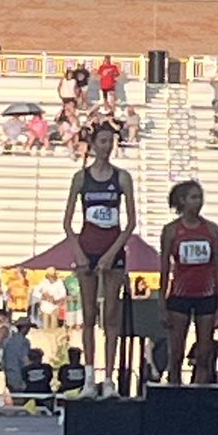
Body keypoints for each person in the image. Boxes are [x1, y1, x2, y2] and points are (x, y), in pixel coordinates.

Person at [63, 125, 137, 399]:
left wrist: (112, 253)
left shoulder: (122, 178)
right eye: (103, 141)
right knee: (89, 314)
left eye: (111, 141)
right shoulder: (81, 178)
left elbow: (131, 222)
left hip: (113, 250)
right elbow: (68, 222)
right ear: (93, 144)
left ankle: (109, 379)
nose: (107, 146)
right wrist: (78, 252)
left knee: (112, 316)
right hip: (87, 249)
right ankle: (89, 377)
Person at [160, 181, 218, 385]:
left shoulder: (211, 230)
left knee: (204, 353)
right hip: (180, 296)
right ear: (182, 201)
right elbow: (164, 269)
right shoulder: (171, 231)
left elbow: (217, 268)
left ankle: (200, 392)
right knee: (176, 353)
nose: (199, 202)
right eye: (194, 197)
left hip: (207, 295)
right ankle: (174, 392)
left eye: (200, 197)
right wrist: (162, 304)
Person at [2, 316, 32, 393]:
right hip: (20, 375)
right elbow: (25, 359)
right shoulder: (24, 342)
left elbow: (3, 360)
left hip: (9, 374)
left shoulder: (8, 341)